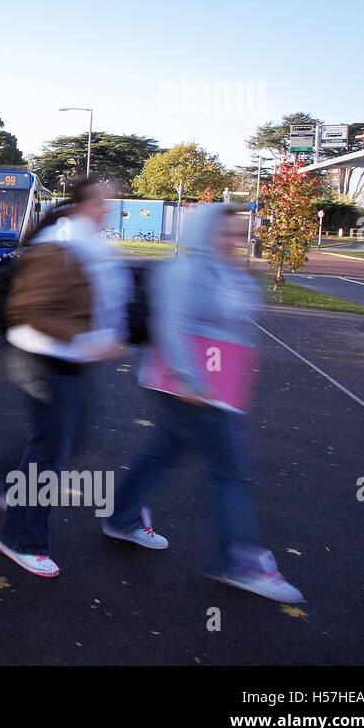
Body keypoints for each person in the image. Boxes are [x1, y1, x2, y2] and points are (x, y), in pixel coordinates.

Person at [102, 203, 304, 603]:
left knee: (164, 450)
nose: (234, 239)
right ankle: (243, 561)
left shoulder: (223, 269)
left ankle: (122, 516)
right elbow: (171, 325)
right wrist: (190, 381)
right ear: (204, 232)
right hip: (191, 385)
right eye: (225, 232)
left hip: (216, 386)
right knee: (230, 471)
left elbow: (238, 314)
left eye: (238, 233)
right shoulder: (186, 270)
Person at [0, 178, 131, 577]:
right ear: (86, 202)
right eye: (103, 201)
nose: (108, 208)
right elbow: (33, 309)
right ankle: (21, 539)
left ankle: (9, 495)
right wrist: (92, 341)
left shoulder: (82, 238)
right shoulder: (61, 241)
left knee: (54, 448)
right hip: (45, 360)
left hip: (66, 361)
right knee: (48, 455)